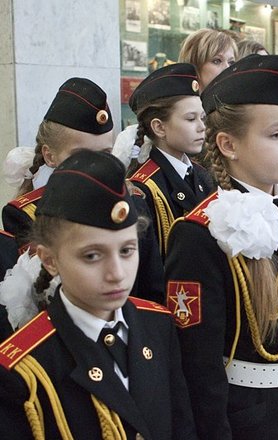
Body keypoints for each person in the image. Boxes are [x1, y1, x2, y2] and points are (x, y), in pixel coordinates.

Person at [164, 55, 278, 439]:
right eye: (276, 135)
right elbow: (198, 367)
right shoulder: (203, 233)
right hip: (251, 424)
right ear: (228, 144)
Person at [0, 150, 197, 439]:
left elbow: (182, 427)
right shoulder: (24, 368)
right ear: (49, 260)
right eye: (92, 256)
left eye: (127, 250)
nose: (116, 273)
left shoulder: (157, 324)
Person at [2, 78, 164, 302]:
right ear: (50, 156)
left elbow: (152, 289)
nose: (95, 166)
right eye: (81, 155)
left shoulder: (132, 202)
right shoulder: (26, 214)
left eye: (105, 154)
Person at [125, 63, 214, 257]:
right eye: (191, 119)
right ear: (159, 127)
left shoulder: (202, 175)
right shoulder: (145, 189)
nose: (201, 127)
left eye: (202, 118)